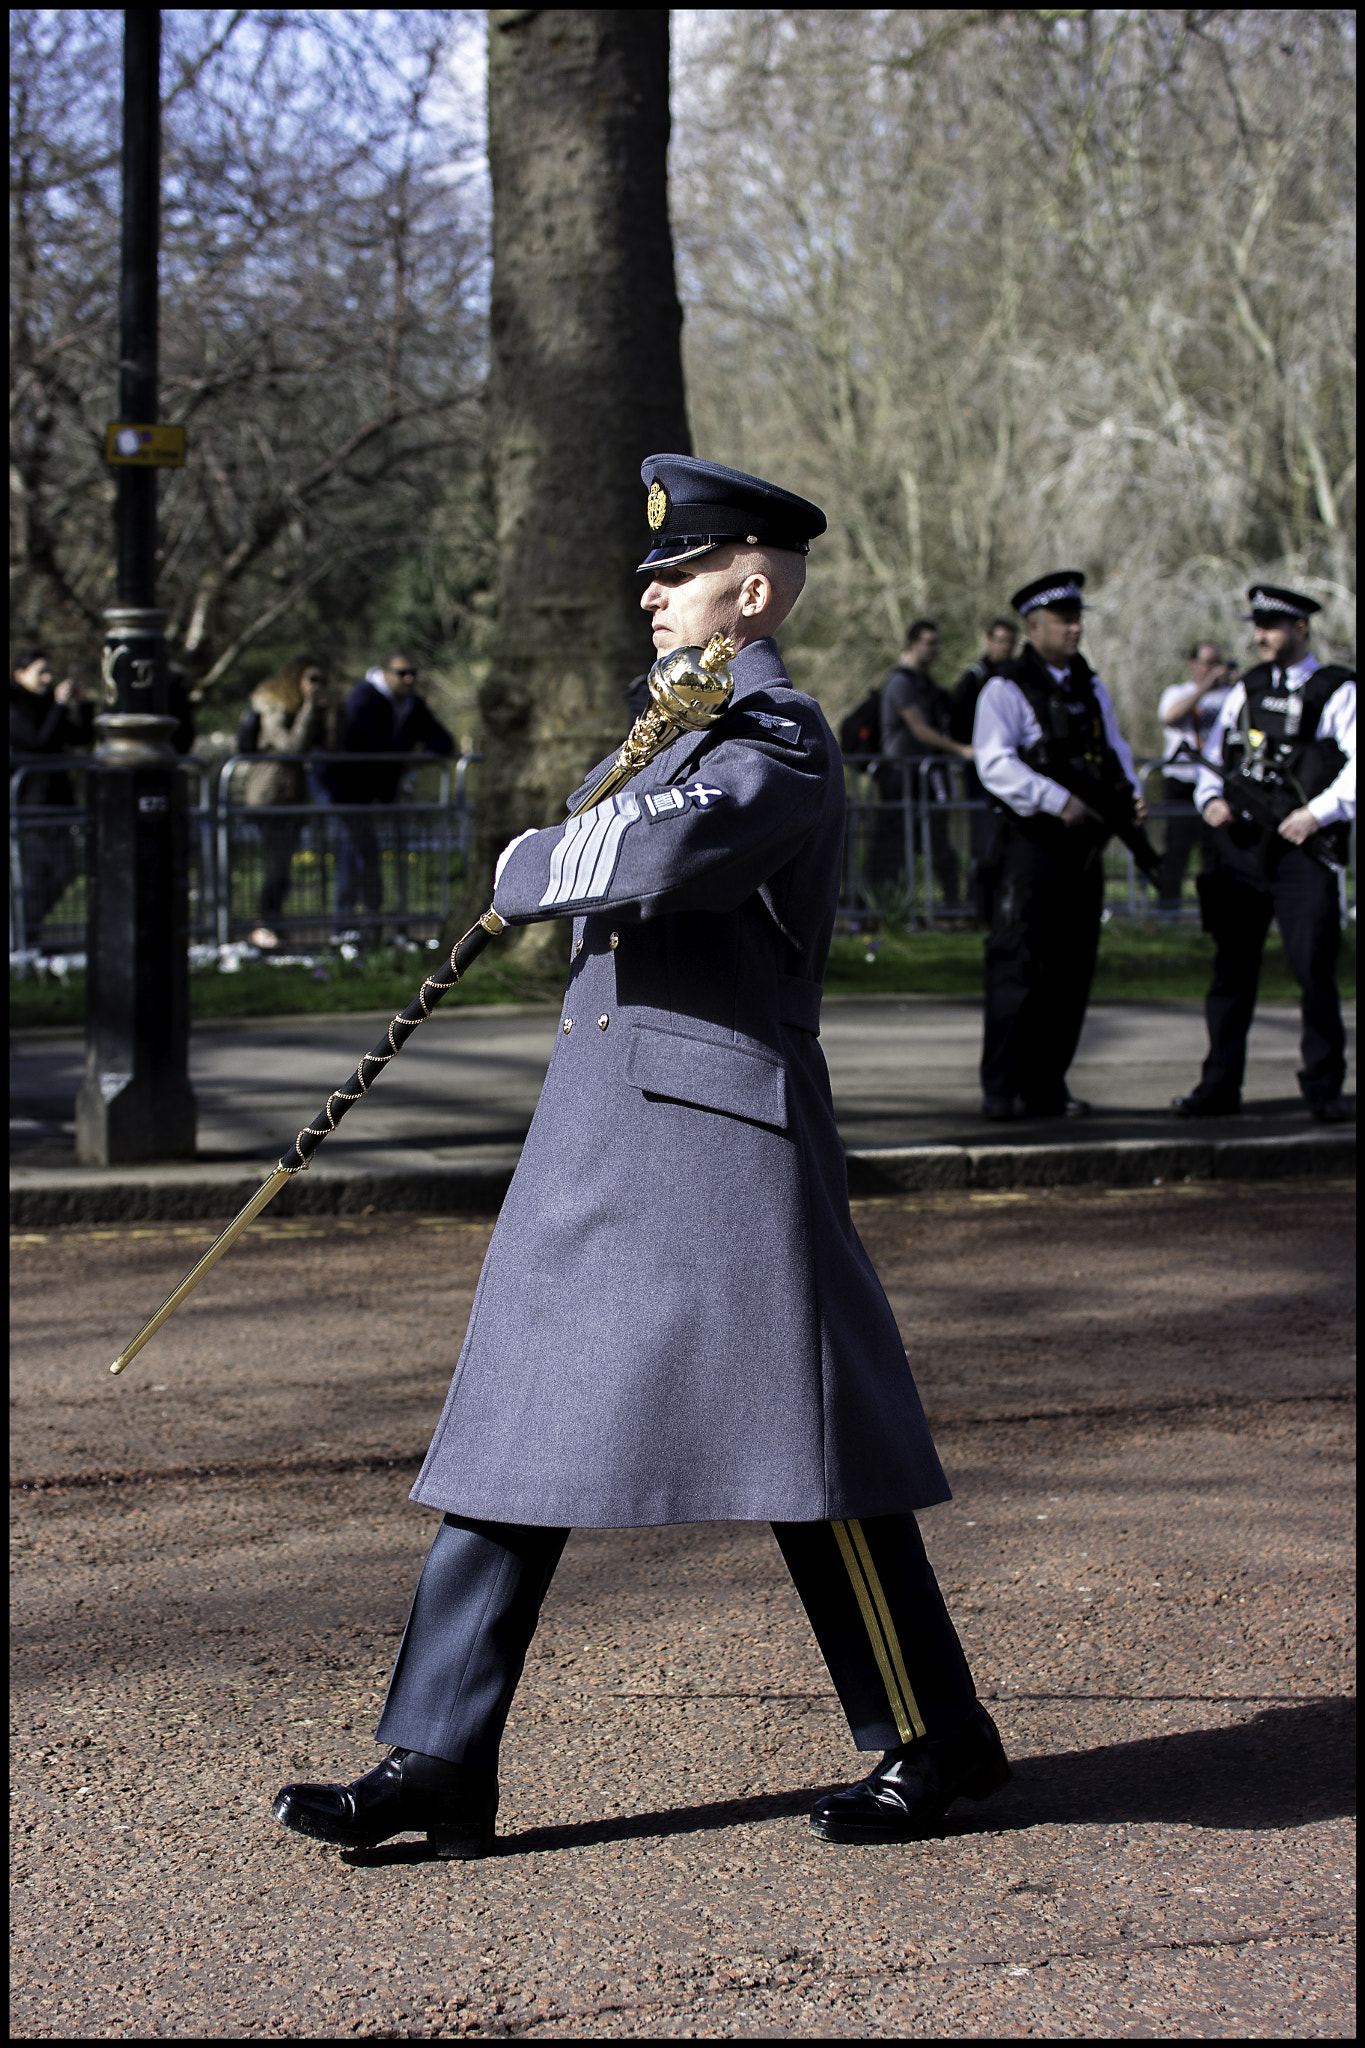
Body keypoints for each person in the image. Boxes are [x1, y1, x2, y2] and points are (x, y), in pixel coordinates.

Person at [272, 454, 1011, 1861]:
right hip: (601, 1129)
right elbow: (596, 850)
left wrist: (539, 854)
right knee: (509, 1442)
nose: (654, 599)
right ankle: (436, 1759)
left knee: (814, 1456)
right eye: (653, 580)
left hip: (722, 1139)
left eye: (675, 577)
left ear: (751, 586)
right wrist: (569, 845)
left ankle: (935, 1733)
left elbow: (645, 863)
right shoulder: (670, 735)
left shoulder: (776, 735)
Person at [1172, 585, 1355, 1125]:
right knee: (1231, 972)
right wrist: (1210, 800)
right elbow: (1215, 754)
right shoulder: (1246, 688)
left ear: (1301, 628)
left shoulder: (1335, 689)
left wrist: (1316, 814)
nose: (1261, 636)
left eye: (1272, 625)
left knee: (1312, 970)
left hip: (1302, 849)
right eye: (1257, 625)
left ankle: (1323, 1088)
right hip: (1244, 850)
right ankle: (1219, 1085)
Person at [973, 570, 1147, 1121]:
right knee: (1016, 968)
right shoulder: (1006, 688)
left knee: (1072, 972)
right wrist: (1057, 801)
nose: (1075, 629)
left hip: (1083, 853)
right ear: (1034, 626)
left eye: (1078, 619)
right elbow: (995, 763)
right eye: (1063, 620)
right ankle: (1001, 1089)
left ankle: (1048, 1085)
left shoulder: (1089, 687)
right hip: (1032, 848)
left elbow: (1113, 749)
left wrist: (1131, 798)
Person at [325, 653, 455, 938]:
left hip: (380, 794)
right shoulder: (364, 698)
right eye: (402, 673)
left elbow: (444, 739)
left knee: (369, 856)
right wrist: (406, 753)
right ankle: (344, 927)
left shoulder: (411, 704)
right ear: (385, 673)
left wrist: (424, 752)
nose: (408, 679)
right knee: (355, 855)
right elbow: (363, 740)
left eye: (413, 673)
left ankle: (373, 927)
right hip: (349, 791)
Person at [877, 620, 973, 909]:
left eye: (937, 643)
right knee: (896, 847)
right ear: (912, 643)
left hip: (924, 776)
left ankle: (950, 905)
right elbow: (919, 729)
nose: (935, 650)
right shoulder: (900, 683)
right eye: (929, 642)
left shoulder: (926, 684)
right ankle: (891, 906)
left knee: (939, 842)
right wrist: (962, 751)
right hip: (900, 776)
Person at [235, 657, 328, 949]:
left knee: (283, 865)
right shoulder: (273, 707)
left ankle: (275, 922)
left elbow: (330, 744)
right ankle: (264, 924)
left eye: (322, 680)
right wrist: (310, 709)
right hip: (269, 797)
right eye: (312, 679)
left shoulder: (306, 710)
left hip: (294, 796)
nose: (317, 686)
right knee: (276, 864)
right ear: (295, 679)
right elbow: (293, 748)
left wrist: (329, 712)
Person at [8, 646, 94, 944]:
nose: (47, 678)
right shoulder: (15, 707)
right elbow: (37, 741)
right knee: (39, 871)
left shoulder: (47, 704)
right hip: (33, 803)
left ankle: (26, 929)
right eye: (40, 672)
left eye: (49, 672)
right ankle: (22, 931)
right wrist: (59, 705)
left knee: (66, 869)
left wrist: (83, 705)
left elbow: (80, 737)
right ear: (20, 675)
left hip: (59, 799)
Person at [1155, 641, 1234, 914]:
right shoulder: (1178, 692)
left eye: (1217, 662)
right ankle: (1167, 913)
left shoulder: (1230, 696)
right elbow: (1171, 717)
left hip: (1215, 782)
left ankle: (1213, 916)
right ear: (1194, 664)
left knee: (1214, 854)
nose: (1213, 669)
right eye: (1207, 663)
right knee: (1177, 850)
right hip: (1182, 781)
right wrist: (1205, 687)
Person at [950, 618, 1018, 921]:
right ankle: (978, 909)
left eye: (1010, 641)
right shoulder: (975, 677)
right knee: (983, 840)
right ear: (989, 641)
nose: (1005, 646)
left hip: (1014, 770)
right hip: (981, 772)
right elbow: (956, 720)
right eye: (1000, 640)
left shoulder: (1017, 676)